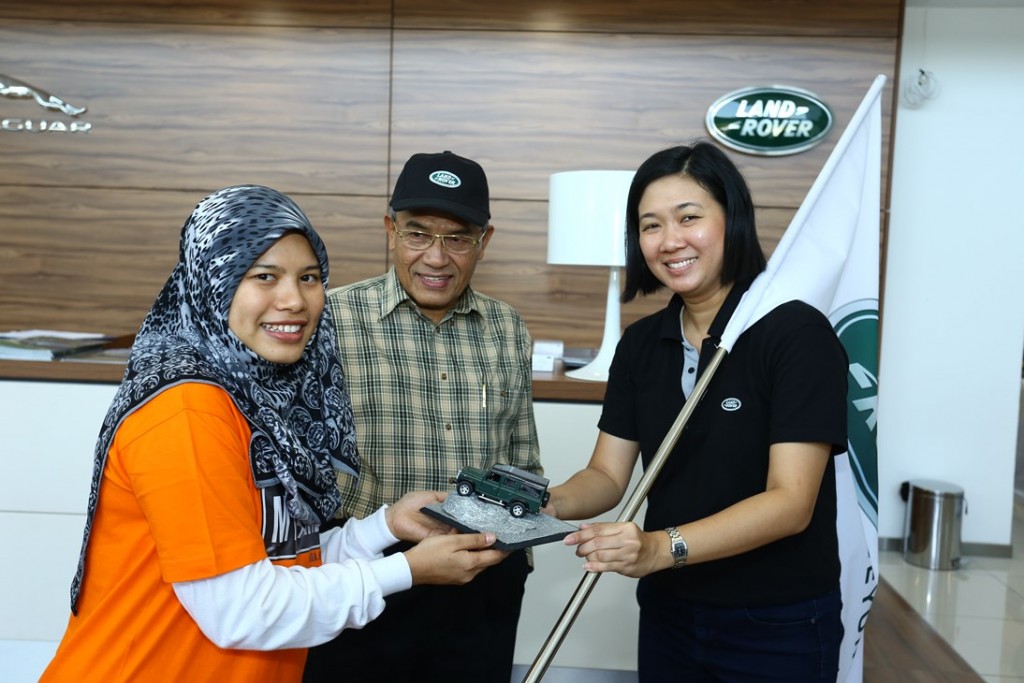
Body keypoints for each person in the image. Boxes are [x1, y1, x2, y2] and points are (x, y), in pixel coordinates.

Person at [40, 185, 506, 683]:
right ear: (211, 284)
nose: (294, 300)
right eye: (264, 277)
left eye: (309, 278)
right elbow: (243, 611)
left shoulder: (263, 399)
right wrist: (407, 570)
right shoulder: (187, 410)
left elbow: (280, 558)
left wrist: (385, 527)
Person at [547, 142, 849, 682]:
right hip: (670, 610)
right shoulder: (641, 343)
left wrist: (660, 548)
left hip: (776, 621)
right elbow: (607, 474)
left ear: (732, 219)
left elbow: (790, 502)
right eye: (651, 225)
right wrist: (545, 505)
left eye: (689, 218)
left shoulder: (794, 333)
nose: (671, 241)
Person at [303, 151, 543, 683]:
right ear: (391, 230)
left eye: (457, 238)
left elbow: (523, 461)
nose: (436, 258)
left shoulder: (508, 328)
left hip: (483, 575)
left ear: (485, 241)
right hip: (366, 570)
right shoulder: (327, 321)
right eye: (418, 234)